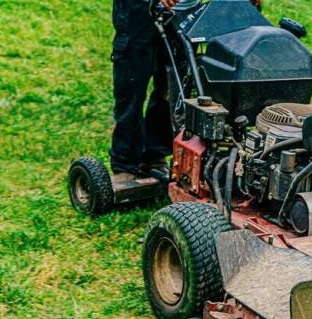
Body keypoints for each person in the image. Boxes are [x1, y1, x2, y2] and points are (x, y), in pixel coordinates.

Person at [110, 0, 260, 187]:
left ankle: (154, 154)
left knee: (175, 87)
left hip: (184, 6)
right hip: (137, 11)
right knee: (131, 83)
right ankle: (125, 164)